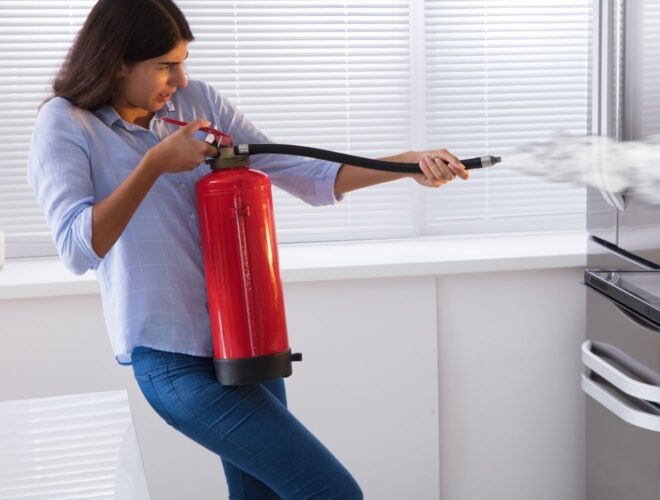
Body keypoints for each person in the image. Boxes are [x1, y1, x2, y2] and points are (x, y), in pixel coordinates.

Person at [26, 0, 469, 498]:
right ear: (118, 61)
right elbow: (76, 248)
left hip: (246, 342)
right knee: (331, 491)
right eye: (166, 66)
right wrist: (153, 165)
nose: (182, 79)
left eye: (182, 61)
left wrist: (407, 164)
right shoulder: (66, 124)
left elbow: (303, 172)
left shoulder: (199, 107)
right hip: (171, 358)